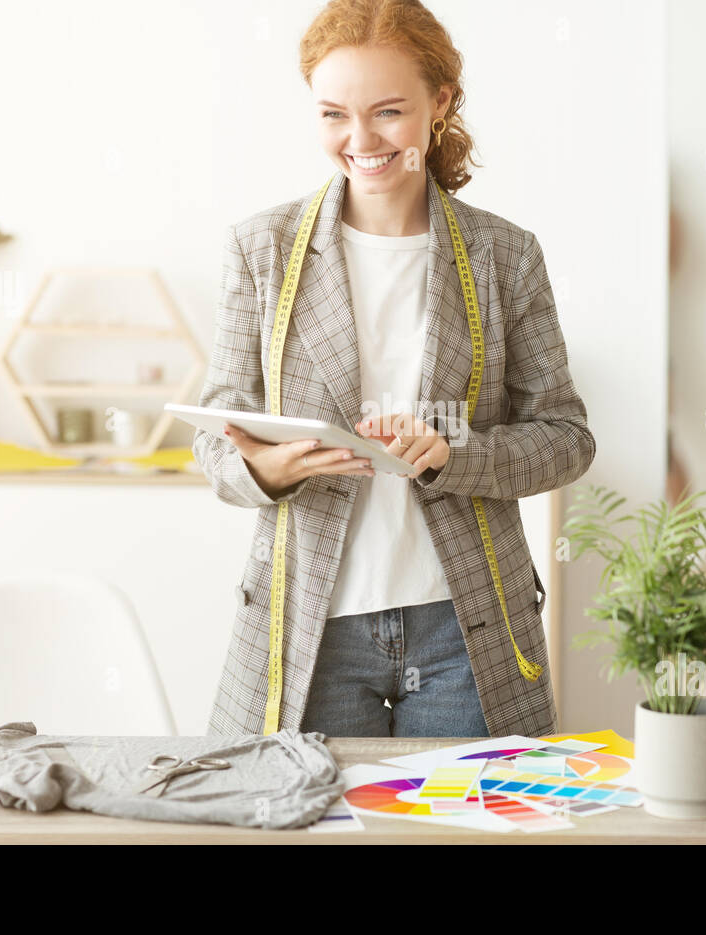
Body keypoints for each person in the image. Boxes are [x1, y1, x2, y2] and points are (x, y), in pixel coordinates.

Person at [193, 0, 595, 739]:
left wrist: (454, 455)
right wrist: (271, 470)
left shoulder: (505, 257)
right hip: (310, 628)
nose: (360, 139)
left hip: (463, 628)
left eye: (387, 112)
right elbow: (215, 442)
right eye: (333, 115)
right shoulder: (262, 250)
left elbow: (567, 437)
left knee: (464, 825)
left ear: (440, 102)